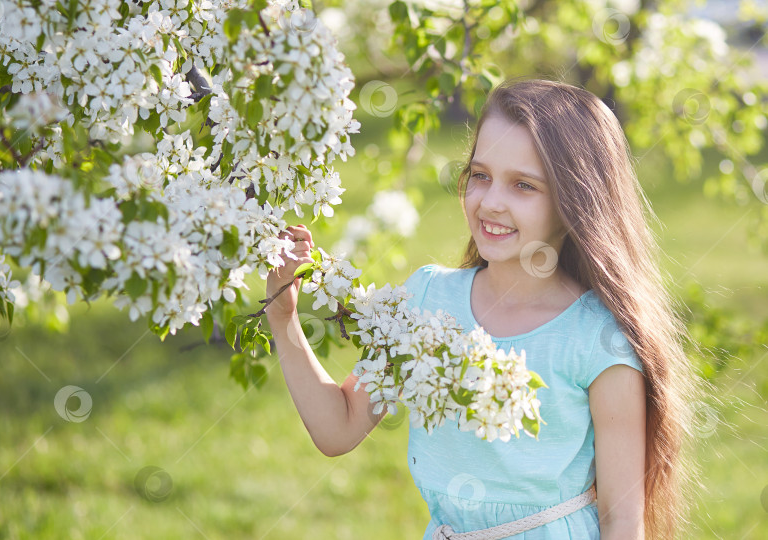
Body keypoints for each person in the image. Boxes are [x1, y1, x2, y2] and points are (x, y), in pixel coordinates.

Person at [265, 78, 699, 539]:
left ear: (576, 199)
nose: (491, 202)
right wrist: (283, 314)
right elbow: (339, 428)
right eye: (480, 175)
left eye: (523, 186)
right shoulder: (429, 300)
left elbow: (621, 521)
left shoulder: (598, 339)